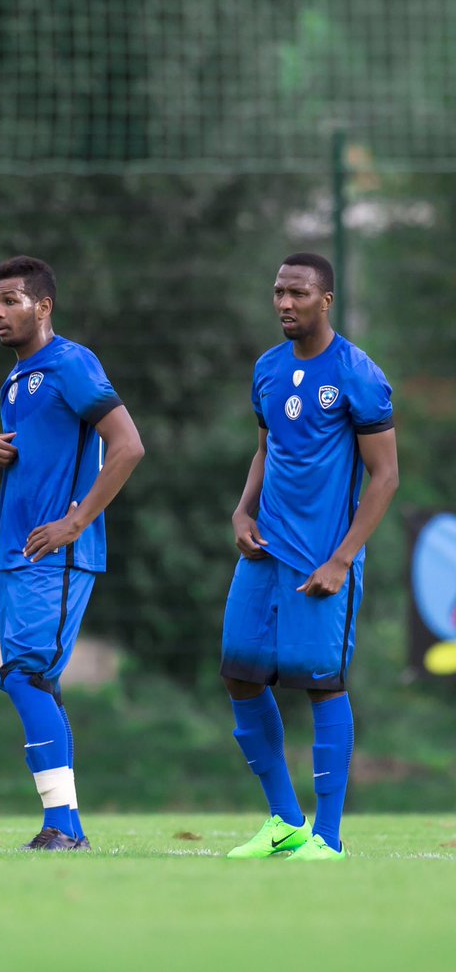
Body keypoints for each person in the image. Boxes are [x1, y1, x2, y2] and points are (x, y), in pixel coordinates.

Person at [221, 252, 397, 861]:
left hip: (323, 558)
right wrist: (243, 513)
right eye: (277, 292)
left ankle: (328, 838)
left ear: (326, 300)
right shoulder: (268, 369)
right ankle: (284, 821)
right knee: (239, 675)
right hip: (263, 552)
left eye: (297, 293)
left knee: (321, 684)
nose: (284, 304)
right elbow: (264, 450)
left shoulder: (357, 373)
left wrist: (343, 559)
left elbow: (385, 477)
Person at [0, 255, 144, 851]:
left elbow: (127, 446)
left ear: (43, 307)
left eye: (11, 300)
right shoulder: (16, 380)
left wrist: (76, 523)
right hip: (16, 551)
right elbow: (36, 469)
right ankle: (64, 827)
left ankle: (63, 828)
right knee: (37, 681)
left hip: (57, 555)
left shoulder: (71, 363)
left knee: (25, 676)